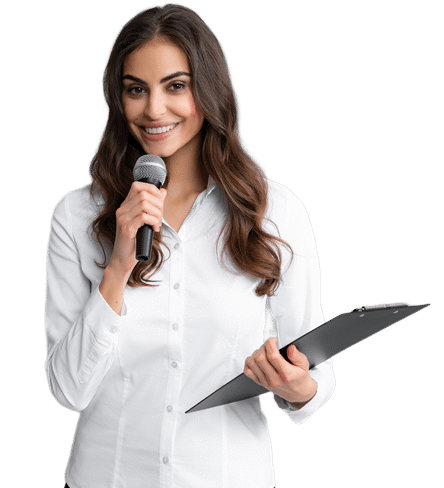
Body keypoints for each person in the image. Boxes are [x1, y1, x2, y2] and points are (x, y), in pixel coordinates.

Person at [44, 3, 336, 487]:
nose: (154, 110)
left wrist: (297, 386)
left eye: (175, 86)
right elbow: (67, 389)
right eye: (136, 90)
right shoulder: (75, 217)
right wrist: (117, 268)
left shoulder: (276, 212)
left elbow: (314, 366)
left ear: (209, 90)